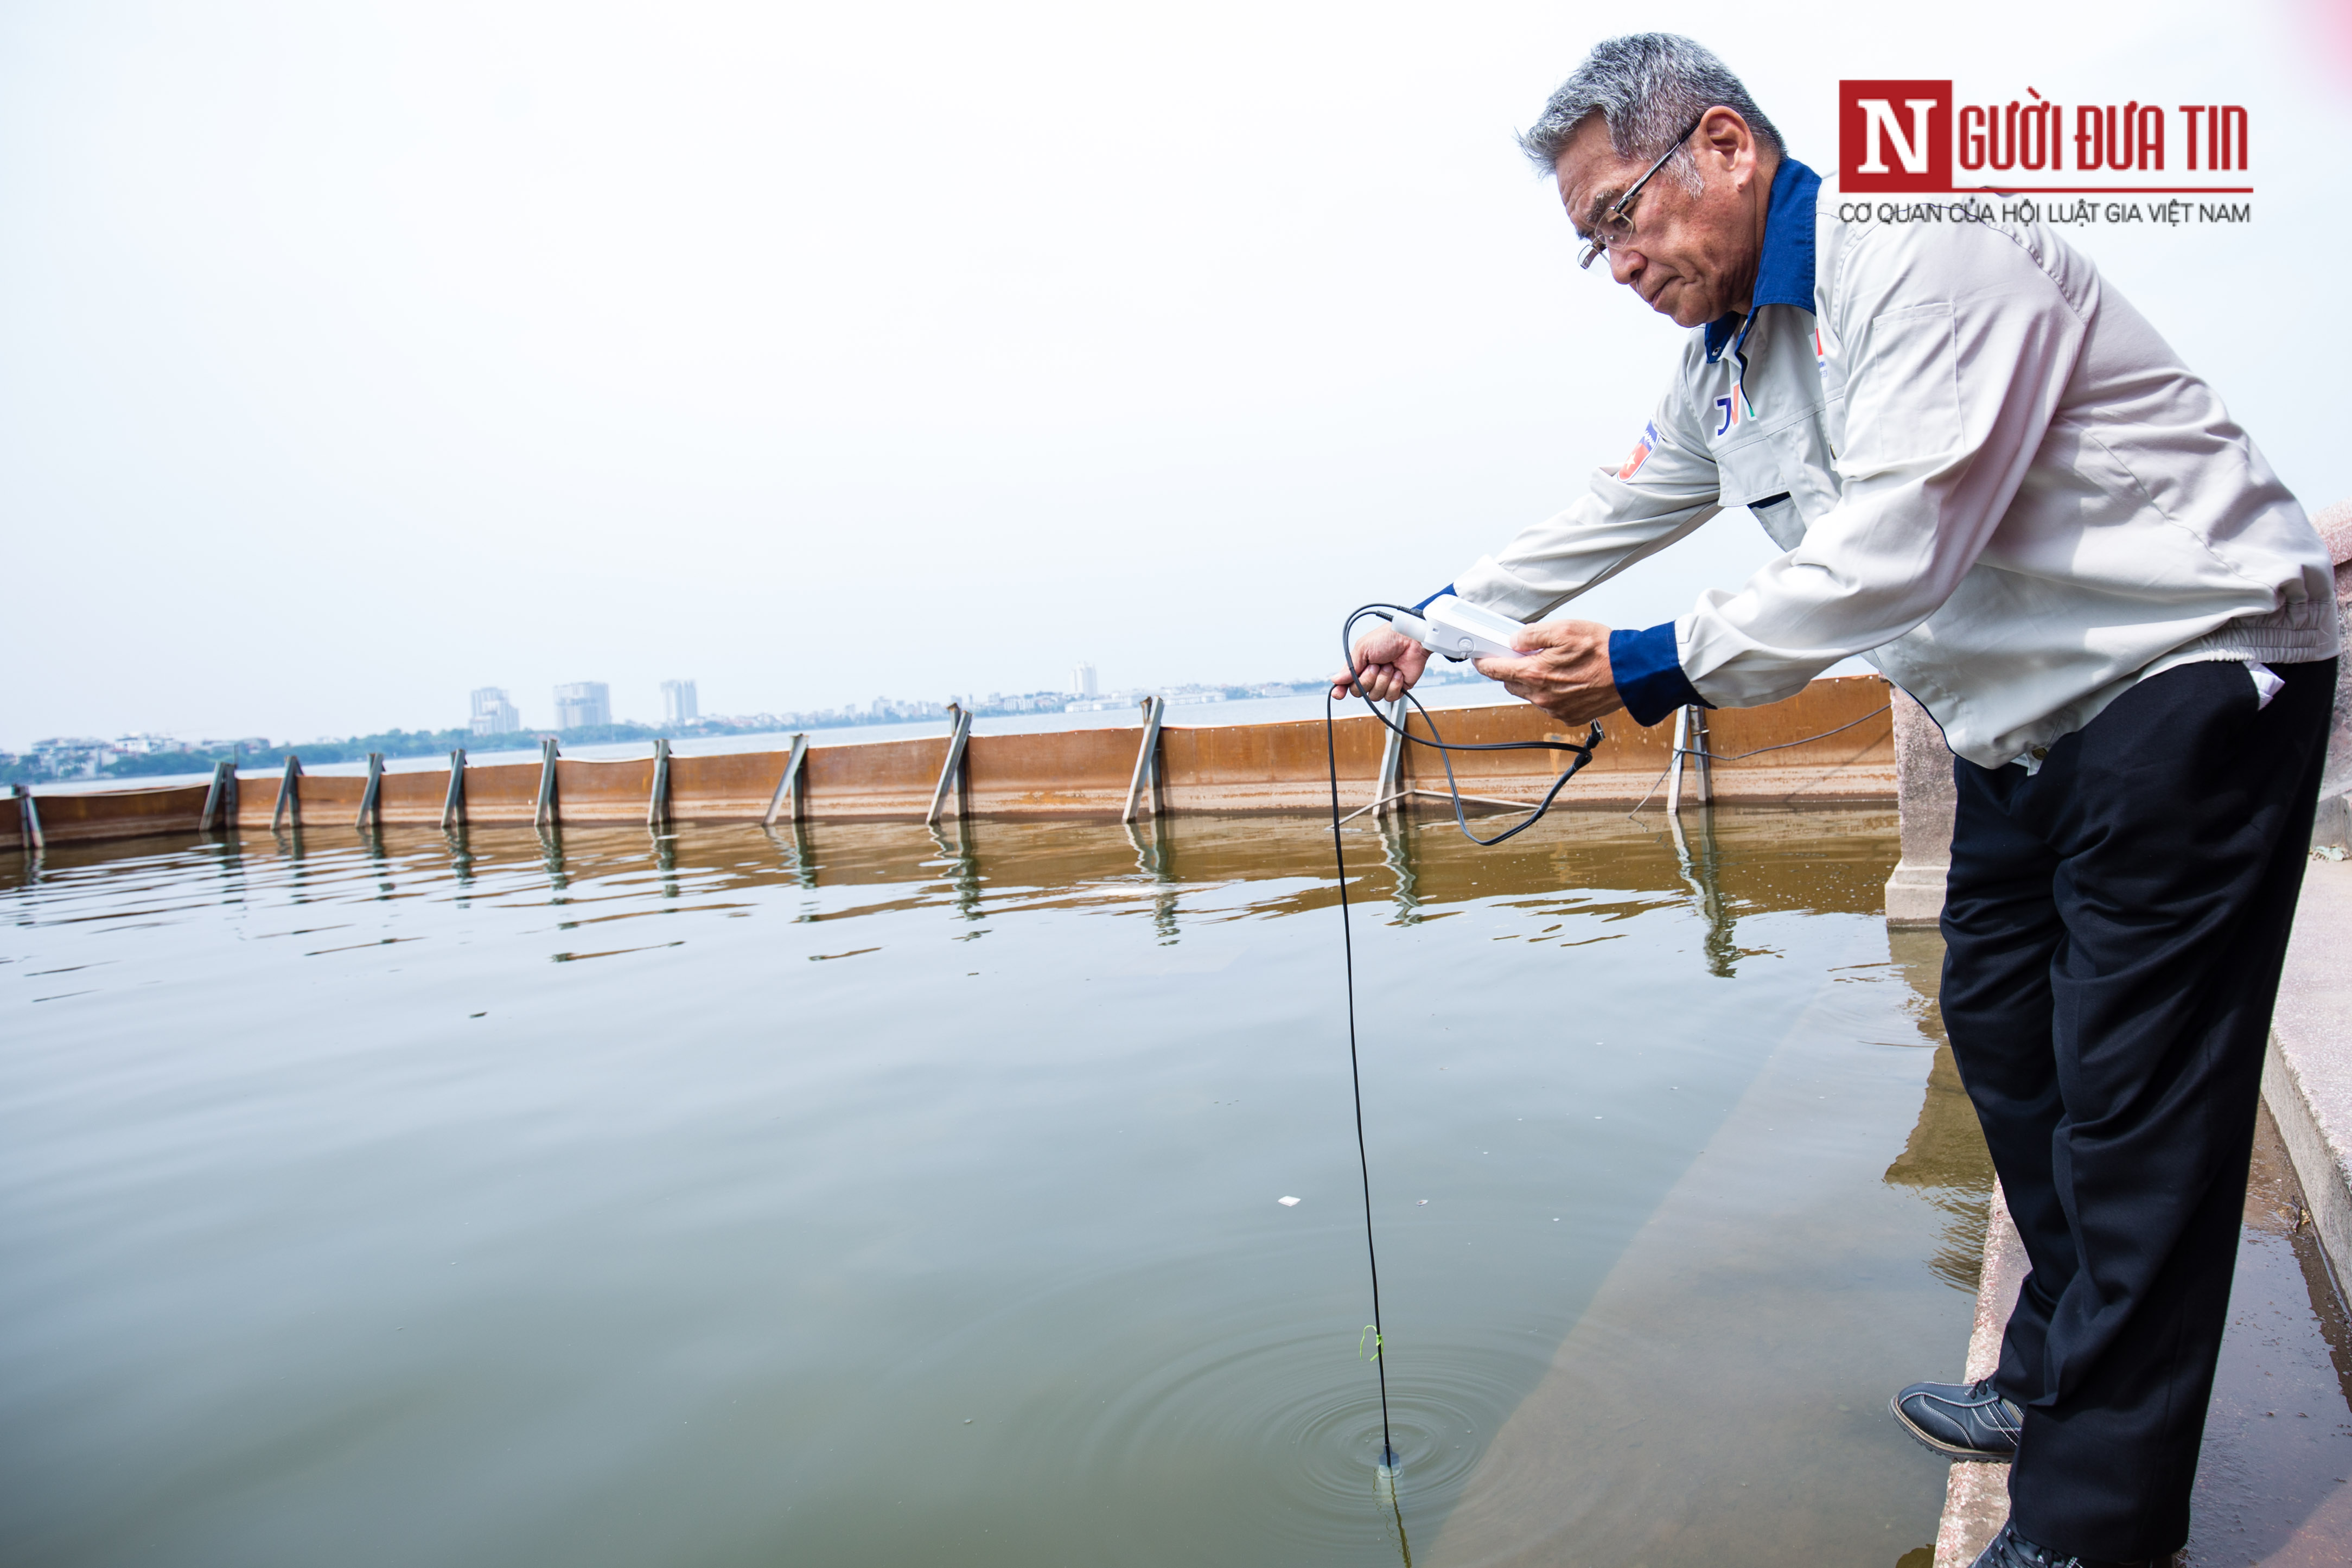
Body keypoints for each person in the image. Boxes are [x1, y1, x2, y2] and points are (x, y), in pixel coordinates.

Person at [1333, 33, 2341, 1568]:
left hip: (2184, 668)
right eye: (1587, 242)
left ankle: (2093, 1529)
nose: (1611, 262)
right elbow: (1614, 509)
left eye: (1618, 215)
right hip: (2019, 721)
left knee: (2139, 1110)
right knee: (2007, 1040)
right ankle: (2052, 1374)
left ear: (1725, 148)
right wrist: (1432, 611)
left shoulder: (1913, 247)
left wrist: (1656, 660)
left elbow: (1904, 541)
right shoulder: (1726, 370)